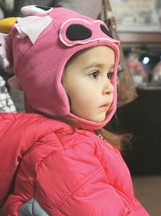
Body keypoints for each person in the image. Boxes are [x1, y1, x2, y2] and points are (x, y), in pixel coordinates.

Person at [0, 5, 149, 215]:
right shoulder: (63, 155)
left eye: (109, 74)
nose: (109, 87)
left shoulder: (74, 139)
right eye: (94, 74)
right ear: (49, 84)